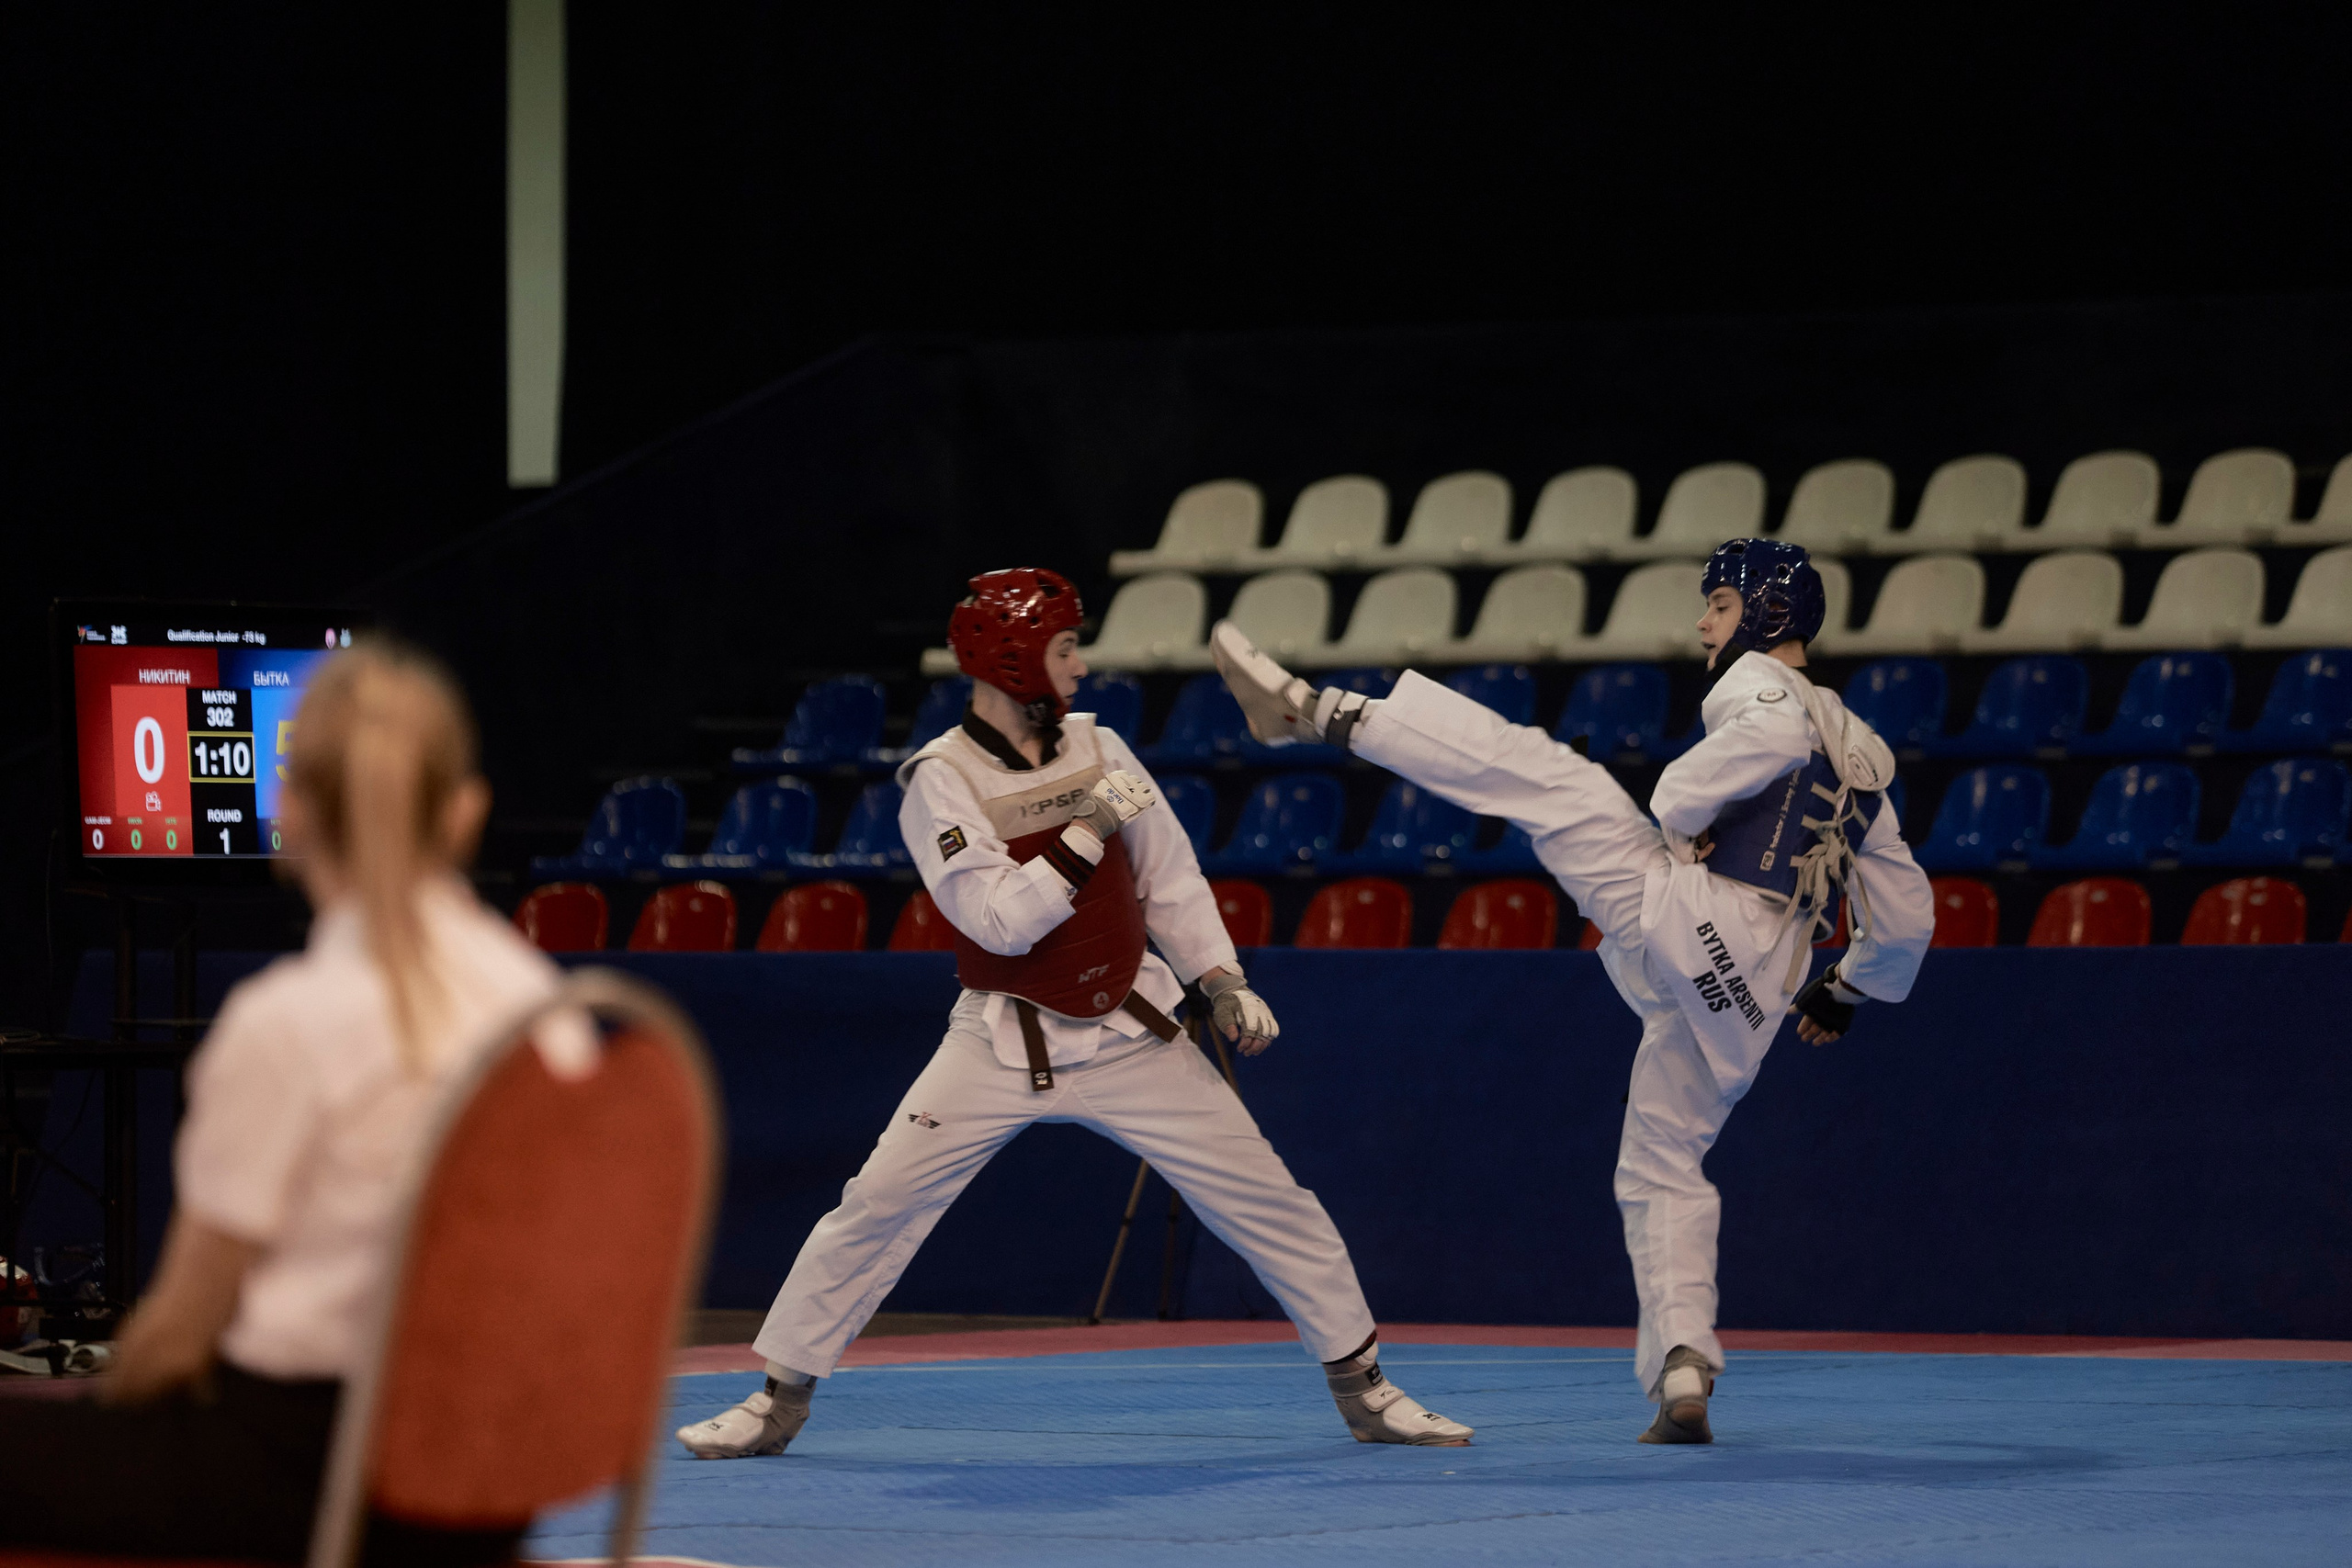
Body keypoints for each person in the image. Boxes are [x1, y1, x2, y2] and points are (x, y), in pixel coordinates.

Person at [677, 568, 1471, 1458]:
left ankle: (1368, 1392)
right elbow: (998, 922)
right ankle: (778, 1399)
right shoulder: (940, 779)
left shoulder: (1102, 746)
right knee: (876, 1205)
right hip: (999, 1040)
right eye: (1064, 648)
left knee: (1273, 1202)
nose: (1080, 666)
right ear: (1015, 658)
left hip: (1133, 1034)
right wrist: (1086, 829)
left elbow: (1169, 875)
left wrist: (1221, 981)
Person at [1213, 538, 1935, 1444]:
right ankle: (1684, 1363)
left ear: (1768, 614)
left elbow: (1764, 743)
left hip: (1695, 920)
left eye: (1718, 605)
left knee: (1550, 778)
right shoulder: (1868, 757)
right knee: (1664, 1161)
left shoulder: (1761, 686)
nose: (1703, 625)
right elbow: (1907, 918)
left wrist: (1681, 817)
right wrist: (1847, 990)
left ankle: (1320, 712)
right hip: (1755, 993)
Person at [0, 642, 587, 1562]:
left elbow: (177, 1337)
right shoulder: (546, 1013)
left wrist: (93, 1411)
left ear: (292, 811)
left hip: (305, 1477)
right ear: (466, 812)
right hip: (486, 1487)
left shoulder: (287, 1022)